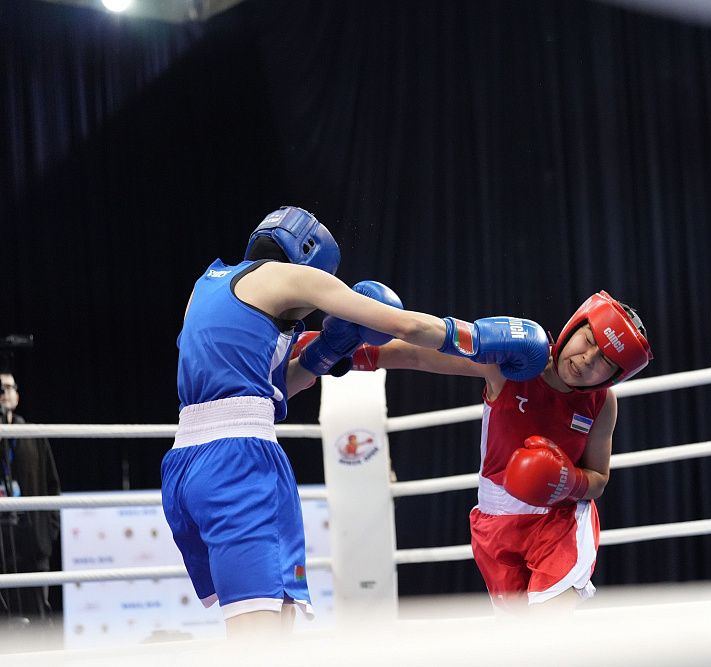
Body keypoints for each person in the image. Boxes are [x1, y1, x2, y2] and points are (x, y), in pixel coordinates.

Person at [160, 205, 549, 639]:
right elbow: (405, 326)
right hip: (238, 459)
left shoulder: (207, 285)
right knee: (257, 636)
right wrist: (481, 338)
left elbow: (265, 392)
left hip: (185, 465)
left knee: (273, 617)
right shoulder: (295, 278)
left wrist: (326, 351)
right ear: (312, 258)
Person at [350, 291, 652, 611]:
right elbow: (418, 356)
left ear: (615, 375)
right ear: (575, 326)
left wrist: (568, 481)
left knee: (550, 625)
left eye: (605, 361)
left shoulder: (602, 403)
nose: (588, 358)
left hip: (559, 520)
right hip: (496, 521)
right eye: (589, 340)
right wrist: (343, 355)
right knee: (517, 634)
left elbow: (599, 478)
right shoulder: (516, 361)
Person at [0, 370, 61, 626]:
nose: (4, 393)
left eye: (9, 387)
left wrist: (48, 533)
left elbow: (52, 485)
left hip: (33, 542)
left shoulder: (34, 435)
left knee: (38, 620)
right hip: (2, 541)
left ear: (17, 395)